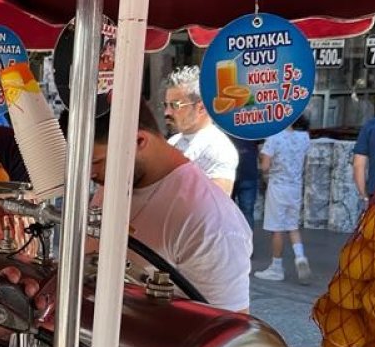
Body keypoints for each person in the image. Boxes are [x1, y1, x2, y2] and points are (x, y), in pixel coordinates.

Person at [86, 103, 252, 312]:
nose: (90, 174)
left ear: (139, 141)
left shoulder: (211, 221)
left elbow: (228, 330)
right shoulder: (119, 177)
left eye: (97, 162)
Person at [162, 66, 239, 195]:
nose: (167, 112)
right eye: (166, 105)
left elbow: (215, 205)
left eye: (175, 105)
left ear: (201, 108)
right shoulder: (172, 142)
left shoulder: (219, 148)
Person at [253, 119, 312, 283]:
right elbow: (305, 162)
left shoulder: (273, 138)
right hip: (295, 186)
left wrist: (265, 169)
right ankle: (300, 257)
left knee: (277, 229)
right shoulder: (303, 138)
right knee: (292, 226)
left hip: (278, 186)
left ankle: (276, 267)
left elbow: (265, 166)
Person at [231, 136, 261, 231]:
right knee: (247, 211)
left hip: (229, 173)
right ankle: (247, 243)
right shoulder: (251, 125)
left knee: (227, 212)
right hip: (248, 172)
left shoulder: (223, 125)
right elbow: (261, 148)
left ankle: (231, 242)